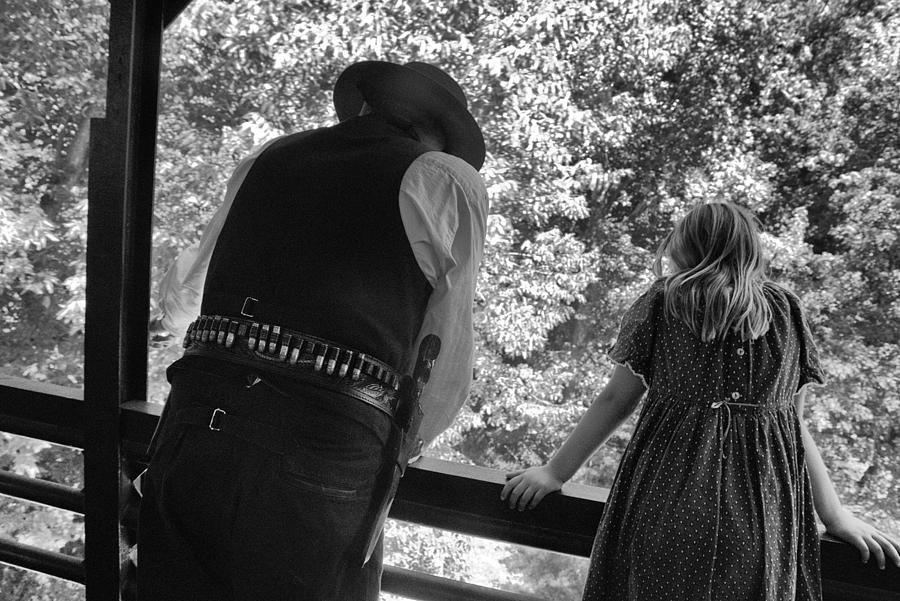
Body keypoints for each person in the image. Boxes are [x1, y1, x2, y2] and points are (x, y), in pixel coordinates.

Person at [137, 61, 489, 601]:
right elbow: (446, 345)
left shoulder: (269, 156)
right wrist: (409, 442)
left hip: (196, 421)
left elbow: (188, 292)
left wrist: (202, 332)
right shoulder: (446, 178)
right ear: (437, 130)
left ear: (365, 105)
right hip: (328, 445)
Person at [500, 202, 900, 601]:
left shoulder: (664, 302)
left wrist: (555, 472)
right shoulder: (785, 312)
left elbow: (615, 400)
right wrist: (834, 514)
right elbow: (792, 427)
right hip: (761, 520)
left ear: (683, 246)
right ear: (751, 250)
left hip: (664, 504)